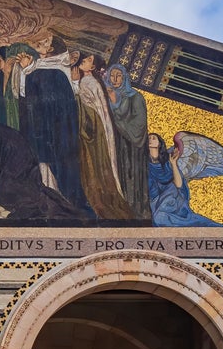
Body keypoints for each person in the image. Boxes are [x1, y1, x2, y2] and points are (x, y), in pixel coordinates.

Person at [9, 35, 89, 211]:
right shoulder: (42, 67)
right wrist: (27, 70)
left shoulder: (57, 69)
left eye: (45, 42)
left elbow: (47, 96)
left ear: (52, 49)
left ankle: (63, 204)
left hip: (55, 133)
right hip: (41, 130)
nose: (40, 42)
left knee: (56, 171)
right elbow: (23, 95)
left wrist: (29, 70)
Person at [73, 52, 135, 222]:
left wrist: (74, 87)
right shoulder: (91, 81)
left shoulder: (87, 82)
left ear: (92, 68)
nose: (84, 60)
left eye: (88, 60)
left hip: (94, 131)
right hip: (99, 129)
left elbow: (87, 109)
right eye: (84, 59)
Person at [103, 64, 150, 221]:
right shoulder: (105, 95)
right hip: (115, 144)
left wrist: (116, 106)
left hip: (132, 148)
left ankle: (136, 212)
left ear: (125, 78)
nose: (115, 80)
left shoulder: (135, 97)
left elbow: (139, 127)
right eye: (112, 76)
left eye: (119, 76)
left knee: (132, 177)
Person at [146, 132, 221, 226]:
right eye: (148, 138)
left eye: (153, 138)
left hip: (171, 197)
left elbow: (178, 185)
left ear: (159, 143)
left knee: (159, 218)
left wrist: (173, 163)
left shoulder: (168, 161)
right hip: (155, 201)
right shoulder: (144, 165)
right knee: (158, 219)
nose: (150, 140)